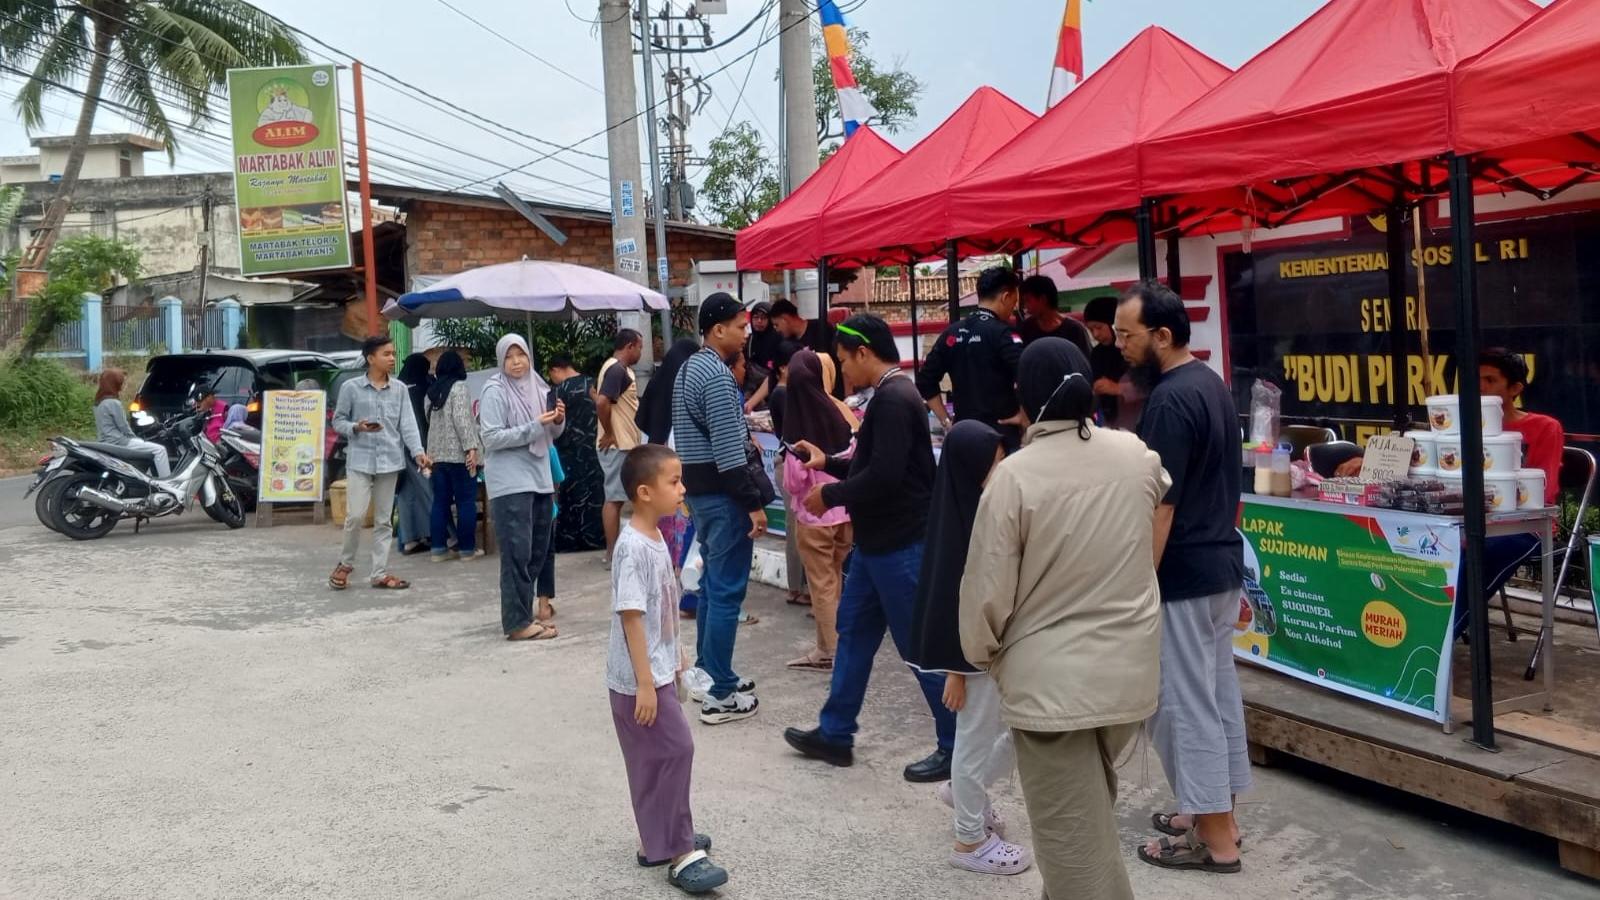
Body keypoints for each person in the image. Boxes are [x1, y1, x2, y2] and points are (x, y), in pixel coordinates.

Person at [960, 338, 1168, 897]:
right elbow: (1159, 497)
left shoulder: (1014, 477)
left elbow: (987, 592)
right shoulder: (1136, 454)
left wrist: (983, 655)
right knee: (1083, 818)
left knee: (1074, 847)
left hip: (1051, 686)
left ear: (1021, 396)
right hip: (1128, 674)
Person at [784, 314, 955, 783]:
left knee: (920, 649)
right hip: (876, 546)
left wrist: (828, 494)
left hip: (901, 545)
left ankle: (956, 744)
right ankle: (835, 734)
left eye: (843, 359)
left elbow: (884, 477)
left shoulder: (895, 400)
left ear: (863, 353)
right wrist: (829, 463)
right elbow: (871, 463)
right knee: (854, 634)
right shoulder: (888, 398)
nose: (841, 370)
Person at [1115, 281, 1247, 875]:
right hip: (1219, 565)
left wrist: (1140, 583)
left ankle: (1215, 842)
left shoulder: (1169, 400)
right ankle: (1215, 815)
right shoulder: (1213, 385)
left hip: (1184, 575)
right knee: (1217, 699)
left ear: (1162, 337)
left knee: (1181, 705)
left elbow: (1160, 506)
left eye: (1127, 335)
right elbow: (1231, 488)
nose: (1118, 344)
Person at [1336, 348, 1564, 632]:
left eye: (1491, 380)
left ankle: (1436, 640)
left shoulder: (1544, 428)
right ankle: (1393, 630)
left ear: (1515, 388)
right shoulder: (1456, 427)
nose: (1479, 387)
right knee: (1395, 546)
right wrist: (1370, 460)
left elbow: (1544, 491)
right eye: (1475, 378)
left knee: (1471, 558)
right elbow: (1416, 463)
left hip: (1523, 527)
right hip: (1458, 520)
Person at [905, 420, 1033, 876]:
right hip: (973, 657)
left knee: (1010, 733)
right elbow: (954, 603)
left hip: (986, 651)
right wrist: (956, 670)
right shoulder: (964, 524)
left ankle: (965, 796)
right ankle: (970, 840)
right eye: (993, 463)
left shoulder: (971, 510)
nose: (1000, 470)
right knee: (975, 741)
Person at [606, 443, 729, 894]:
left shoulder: (657, 536)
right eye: (673, 481)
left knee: (656, 758)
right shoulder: (633, 547)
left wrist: (674, 656)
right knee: (676, 750)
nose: (683, 489)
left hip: (655, 670)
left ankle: (658, 839)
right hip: (639, 678)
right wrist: (644, 682)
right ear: (644, 492)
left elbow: (663, 609)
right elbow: (631, 615)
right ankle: (679, 853)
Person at [671, 292, 766, 725]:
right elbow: (730, 453)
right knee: (726, 591)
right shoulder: (715, 375)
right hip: (723, 497)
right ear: (717, 329)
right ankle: (721, 696)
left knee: (712, 587)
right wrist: (753, 505)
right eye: (739, 325)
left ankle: (713, 673)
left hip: (699, 493)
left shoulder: (690, 368)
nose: (745, 332)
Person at [480, 334, 566, 642]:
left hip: (540, 477)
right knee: (517, 552)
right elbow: (490, 438)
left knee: (536, 552)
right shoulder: (495, 390)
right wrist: (535, 426)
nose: (517, 362)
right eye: (510, 357)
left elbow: (552, 432)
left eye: (522, 355)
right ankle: (516, 623)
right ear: (501, 361)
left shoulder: (539, 386)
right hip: (510, 481)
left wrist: (557, 419)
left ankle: (525, 615)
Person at [329, 335, 431, 591]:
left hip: (390, 461)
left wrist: (418, 452)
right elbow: (338, 421)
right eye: (386, 354)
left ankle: (380, 572)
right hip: (360, 461)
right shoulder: (351, 388)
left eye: (393, 354)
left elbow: (408, 424)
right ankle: (345, 563)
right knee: (355, 516)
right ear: (370, 358)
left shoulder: (399, 389)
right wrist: (356, 427)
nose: (392, 358)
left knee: (384, 520)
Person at [781, 349, 858, 671]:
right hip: (844, 514)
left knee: (822, 587)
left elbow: (793, 482)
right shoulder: (840, 412)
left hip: (814, 519)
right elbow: (855, 457)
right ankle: (834, 644)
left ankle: (830, 651)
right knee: (835, 581)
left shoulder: (797, 421)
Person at [917, 266, 1027, 451]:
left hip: (963, 434)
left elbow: (925, 381)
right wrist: (1024, 416)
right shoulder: (1004, 334)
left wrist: (946, 422)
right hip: (1001, 434)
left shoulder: (951, 332)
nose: (1013, 309)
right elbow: (1028, 374)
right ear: (1005, 297)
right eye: (1014, 302)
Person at [425, 350, 481, 563]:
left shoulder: (431, 391)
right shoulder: (459, 388)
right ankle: (467, 549)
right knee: (466, 502)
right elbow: (463, 420)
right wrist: (472, 448)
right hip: (460, 455)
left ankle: (438, 549)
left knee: (440, 502)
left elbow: (427, 419)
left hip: (437, 456)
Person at [549, 353, 605, 553]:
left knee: (570, 495)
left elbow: (552, 420)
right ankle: (597, 538)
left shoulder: (559, 391)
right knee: (595, 493)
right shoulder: (593, 384)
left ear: (556, 370)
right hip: (594, 449)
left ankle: (569, 540)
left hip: (568, 451)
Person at [598, 329, 646, 566]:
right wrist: (608, 432)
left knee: (618, 498)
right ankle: (612, 553)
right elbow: (602, 401)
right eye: (640, 347)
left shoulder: (619, 370)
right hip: (618, 444)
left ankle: (615, 552)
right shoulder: (616, 369)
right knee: (614, 499)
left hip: (626, 443)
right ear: (629, 346)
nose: (641, 352)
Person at [93, 369, 171, 477]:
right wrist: (135, 438)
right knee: (160, 450)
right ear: (115, 384)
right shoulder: (114, 403)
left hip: (104, 441)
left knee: (146, 449)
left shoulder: (98, 403)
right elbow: (123, 427)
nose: (124, 385)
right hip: (118, 442)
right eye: (122, 383)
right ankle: (167, 482)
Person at [396, 353, 435, 555]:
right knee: (427, 490)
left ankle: (409, 538)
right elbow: (420, 423)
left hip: (399, 448)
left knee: (407, 494)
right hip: (417, 448)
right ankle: (440, 534)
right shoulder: (420, 389)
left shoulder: (397, 386)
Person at [1083, 295, 1137, 427]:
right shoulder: (1097, 354)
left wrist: (1119, 388)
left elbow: (1152, 384)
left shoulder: (1136, 349)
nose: (1095, 334)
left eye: (1099, 327)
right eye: (1091, 330)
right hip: (1110, 424)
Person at [1017, 274, 1091, 356]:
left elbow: (1084, 363)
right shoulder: (1026, 328)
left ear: (1043, 299)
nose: (1025, 306)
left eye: (1028, 300)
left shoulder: (1074, 330)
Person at [744, 301, 781, 404]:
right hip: (753, 392)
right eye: (755, 317)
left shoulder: (778, 340)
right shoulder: (749, 341)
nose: (759, 321)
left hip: (773, 392)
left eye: (763, 318)